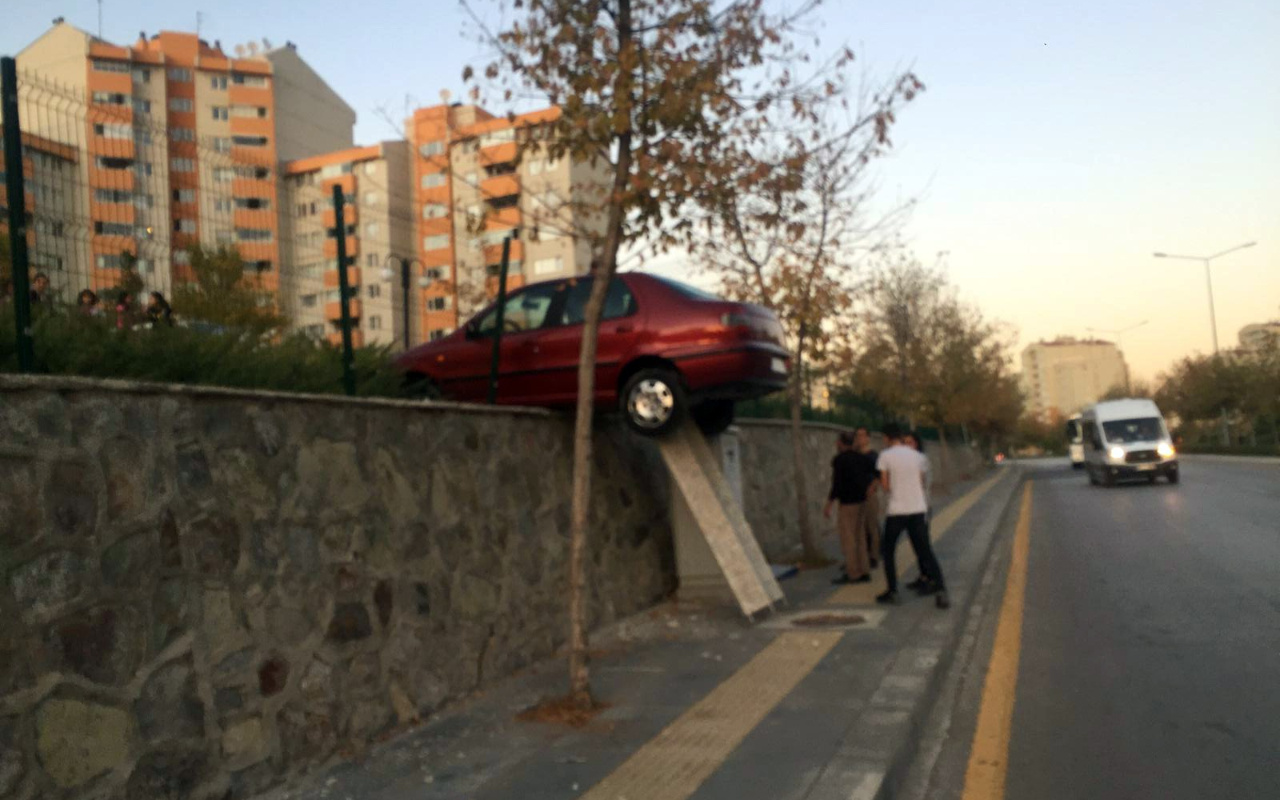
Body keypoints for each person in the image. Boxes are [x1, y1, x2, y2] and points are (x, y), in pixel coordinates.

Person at [875, 423, 950, 609]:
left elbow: (885, 486)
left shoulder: (885, 456)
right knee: (925, 550)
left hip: (897, 510)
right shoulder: (918, 457)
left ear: (886, 438)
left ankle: (892, 590)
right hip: (917, 509)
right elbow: (921, 481)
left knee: (888, 550)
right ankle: (941, 589)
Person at [823, 431, 879, 585]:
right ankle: (865, 570)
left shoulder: (839, 460)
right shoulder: (862, 458)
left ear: (841, 443)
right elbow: (877, 472)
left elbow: (837, 484)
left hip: (847, 504)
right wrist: (871, 487)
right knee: (860, 536)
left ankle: (853, 572)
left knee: (848, 539)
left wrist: (829, 504)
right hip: (861, 501)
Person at [903, 432, 936, 594]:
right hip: (911, 508)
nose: (907, 446)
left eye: (910, 442)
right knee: (916, 544)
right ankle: (923, 575)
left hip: (921, 507)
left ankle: (931, 579)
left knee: (923, 544)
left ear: (917, 444)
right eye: (905, 443)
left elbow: (921, 483)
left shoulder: (921, 460)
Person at [855, 426, 882, 568]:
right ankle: (862, 555)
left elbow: (879, 475)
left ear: (868, 438)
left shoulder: (873, 455)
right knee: (860, 527)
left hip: (870, 495)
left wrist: (872, 488)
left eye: (862, 435)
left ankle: (874, 556)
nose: (860, 438)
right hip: (856, 496)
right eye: (857, 435)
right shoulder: (855, 455)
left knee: (872, 525)